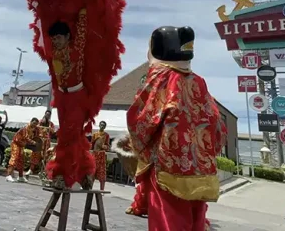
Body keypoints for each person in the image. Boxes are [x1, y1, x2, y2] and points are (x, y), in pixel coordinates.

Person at [127, 26, 226, 231]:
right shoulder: (199, 81)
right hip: (200, 167)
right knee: (195, 218)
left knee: (169, 219)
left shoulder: (161, 77)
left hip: (168, 162)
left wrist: (138, 146)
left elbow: (142, 118)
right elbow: (217, 121)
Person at [6, 117, 39, 183]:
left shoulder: (32, 130)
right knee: (14, 158)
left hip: (21, 145)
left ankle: (20, 176)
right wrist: (33, 142)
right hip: (16, 144)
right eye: (34, 123)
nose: (35, 125)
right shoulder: (25, 128)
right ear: (31, 121)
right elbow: (26, 138)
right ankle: (8, 175)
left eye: (36, 124)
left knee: (21, 160)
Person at [27, 109, 55, 176]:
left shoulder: (51, 124)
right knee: (35, 154)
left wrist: (51, 130)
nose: (47, 116)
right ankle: (31, 169)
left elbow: (53, 132)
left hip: (46, 143)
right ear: (45, 114)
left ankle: (41, 171)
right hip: (39, 141)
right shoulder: (39, 122)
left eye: (49, 115)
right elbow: (34, 128)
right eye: (46, 114)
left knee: (45, 156)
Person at [91, 121, 111, 190]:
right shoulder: (95, 134)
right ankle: (90, 187)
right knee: (92, 171)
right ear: (99, 125)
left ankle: (102, 189)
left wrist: (103, 146)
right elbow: (92, 145)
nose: (102, 126)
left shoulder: (106, 135)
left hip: (101, 155)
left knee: (102, 172)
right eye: (101, 125)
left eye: (103, 125)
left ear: (105, 127)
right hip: (94, 154)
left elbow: (108, 147)